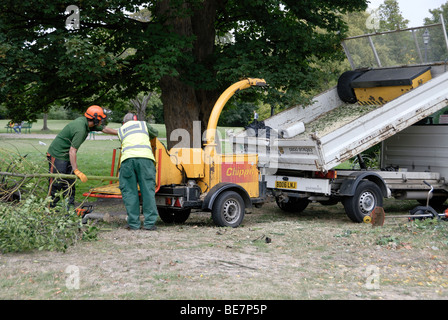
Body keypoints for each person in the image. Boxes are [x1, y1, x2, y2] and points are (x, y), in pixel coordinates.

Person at [47, 105, 118, 208]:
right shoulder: (80, 129)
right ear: (94, 120)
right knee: (56, 183)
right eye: (100, 119)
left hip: (67, 156)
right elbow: (72, 151)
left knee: (70, 183)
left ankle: (69, 209)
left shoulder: (87, 123)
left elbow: (104, 129)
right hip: (57, 154)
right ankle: (50, 209)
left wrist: (120, 133)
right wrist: (76, 170)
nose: (101, 122)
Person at [118, 112, 159, 231]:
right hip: (145, 160)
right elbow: (155, 133)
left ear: (124, 122)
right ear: (135, 119)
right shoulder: (143, 125)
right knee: (148, 191)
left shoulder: (121, 130)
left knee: (129, 192)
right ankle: (149, 224)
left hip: (127, 161)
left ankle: (134, 224)